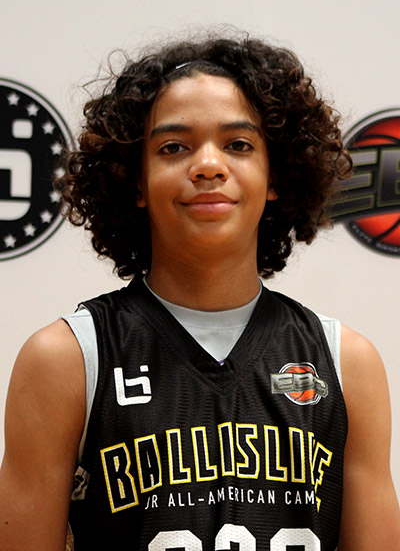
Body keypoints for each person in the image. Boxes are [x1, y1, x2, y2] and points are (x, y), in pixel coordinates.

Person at [0, 33, 399, 551]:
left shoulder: (348, 364)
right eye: (174, 147)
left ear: (275, 176)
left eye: (238, 145)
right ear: (136, 181)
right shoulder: (66, 361)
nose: (209, 165)